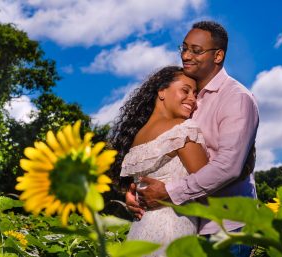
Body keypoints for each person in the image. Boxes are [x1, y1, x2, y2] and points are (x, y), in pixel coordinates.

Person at [126, 21, 259, 257]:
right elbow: (163, 159)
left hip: (225, 227)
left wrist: (169, 192)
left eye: (196, 50)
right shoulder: (186, 101)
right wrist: (138, 192)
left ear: (218, 55)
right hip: (186, 224)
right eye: (184, 48)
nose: (186, 55)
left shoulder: (236, 98)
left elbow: (228, 167)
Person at [109, 66, 209, 256]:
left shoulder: (138, 137)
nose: (193, 99)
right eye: (185, 90)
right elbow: (210, 188)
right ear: (162, 91)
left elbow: (137, 189)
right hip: (173, 231)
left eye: (195, 94)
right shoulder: (181, 130)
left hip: (141, 231)